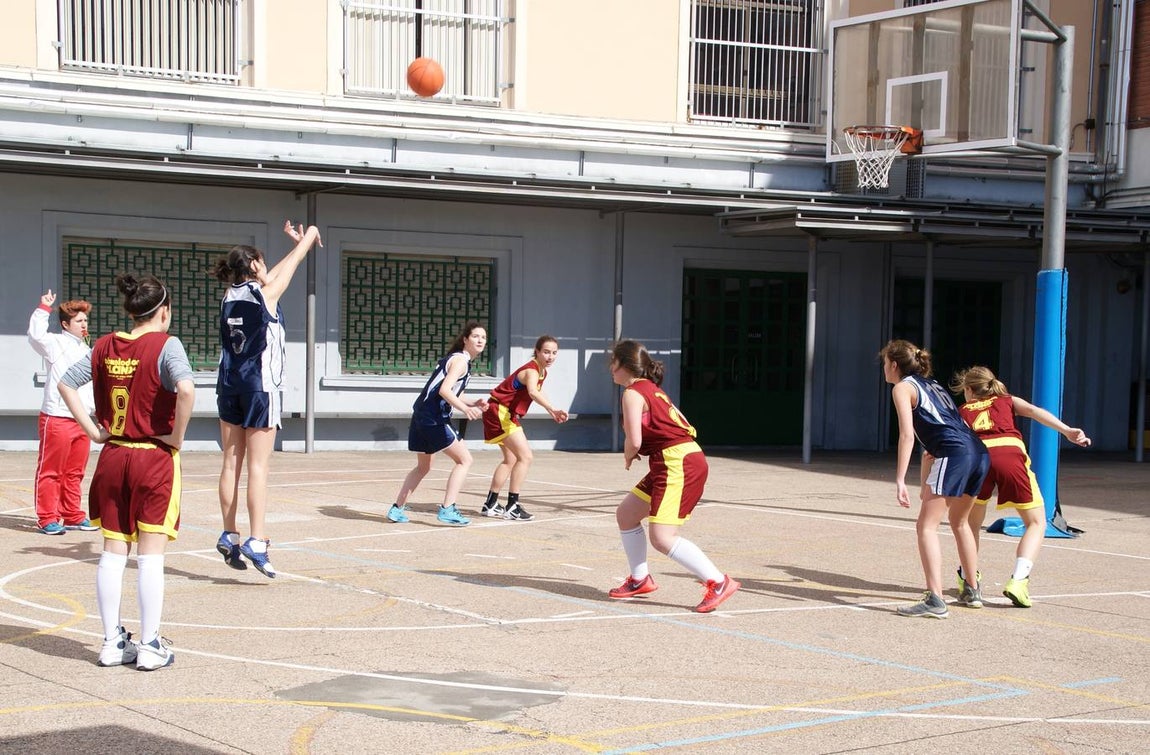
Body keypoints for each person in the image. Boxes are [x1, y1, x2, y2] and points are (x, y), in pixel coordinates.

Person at [58, 273, 195, 670]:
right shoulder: (166, 345)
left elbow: (66, 383)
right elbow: (186, 389)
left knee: (113, 551)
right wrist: (176, 436)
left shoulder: (103, 345)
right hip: (153, 456)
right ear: (164, 311)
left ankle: (111, 642)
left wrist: (93, 431)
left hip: (114, 456)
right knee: (151, 556)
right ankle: (150, 644)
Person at [214, 220, 322, 579]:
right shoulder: (266, 294)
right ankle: (257, 539)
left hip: (229, 385)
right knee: (258, 468)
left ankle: (229, 533)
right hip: (261, 387)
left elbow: (274, 274)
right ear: (254, 264)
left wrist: (288, 251)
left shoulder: (230, 296)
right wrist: (309, 236)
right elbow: (288, 270)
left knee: (230, 464)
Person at [606, 340, 740, 613]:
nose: (610, 367)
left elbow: (634, 439)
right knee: (627, 514)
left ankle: (718, 581)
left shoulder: (632, 393)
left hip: (677, 461)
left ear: (623, 365)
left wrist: (628, 454)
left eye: (613, 362)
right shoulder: (652, 389)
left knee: (662, 537)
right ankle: (640, 579)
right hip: (672, 458)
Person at [950, 365, 1091, 608]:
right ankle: (1018, 581)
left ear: (969, 390)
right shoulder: (1007, 400)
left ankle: (968, 580)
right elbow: (1035, 412)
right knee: (1036, 523)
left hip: (978, 459)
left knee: (969, 526)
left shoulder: (963, 410)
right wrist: (1067, 431)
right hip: (1009, 455)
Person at [880, 339, 990, 619]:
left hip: (955, 454)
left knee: (925, 526)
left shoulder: (903, 388)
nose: (884, 368)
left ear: (894, 365)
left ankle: (935, 599)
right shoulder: (933, 385)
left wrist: (900, 479)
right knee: (960, 522)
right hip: (978, 452)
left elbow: (906, 435)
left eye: (885, 363)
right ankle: (972, 589)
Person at [387, 322, 489, 527]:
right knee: (465, 460)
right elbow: (444, 391)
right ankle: (448, 509)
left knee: (423, 467)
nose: (480, 340)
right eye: (475, 336)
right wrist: (465, 409)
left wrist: (472, 402)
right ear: (465, 339)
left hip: (421, 416)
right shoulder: (460, 361)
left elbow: (452, 392)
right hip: (433, 418)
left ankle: (397, 509)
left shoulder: (456, 360)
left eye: (483, 337)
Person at [27, 290, 98, 535]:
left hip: (82, 419)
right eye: (79, 321)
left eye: (85, 320)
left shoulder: (87, 349)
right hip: (57, 416)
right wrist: (44, 308)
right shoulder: (55, 343)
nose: (84, 325)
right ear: (66, 325)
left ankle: (72, 514)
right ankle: (47, 517)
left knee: (75, 471)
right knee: (51, 470)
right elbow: (35, 335)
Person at [479, 335, 569, 521]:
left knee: (511, 459)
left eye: (554, 353)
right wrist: (552, 408)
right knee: (525, 457)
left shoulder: (541, 372)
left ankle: (491, 504)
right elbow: (533, 392)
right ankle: (512, 506)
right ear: (537, 351)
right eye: (546, 352)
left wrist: (551, 411)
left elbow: (538, 391)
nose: (550, 356)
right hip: (500, 412)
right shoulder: (531, 370)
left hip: (502, 412)